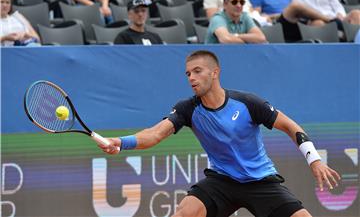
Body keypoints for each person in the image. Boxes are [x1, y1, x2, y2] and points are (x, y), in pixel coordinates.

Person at [95, 49, 341, 217]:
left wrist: (314, 159)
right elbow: (154, 134)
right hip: (221, 181)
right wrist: (120, 142)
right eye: (188, 73)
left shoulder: (247, 103)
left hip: (260, 181)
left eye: (197, 71)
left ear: (215, 72)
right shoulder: (188, 108)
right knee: (185, 213)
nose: (191, 77)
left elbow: (290, 126)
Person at [248, 0, 334, 42]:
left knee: (319, 23)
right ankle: (331, 20)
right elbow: (258, 16)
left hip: (294, 19)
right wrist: (276, 16)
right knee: (295, 6)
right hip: (278, 23)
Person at [289, 0, 360, 26]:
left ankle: (354, 43)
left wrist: (340, 14)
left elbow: (337, 5)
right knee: (319, 23)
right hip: (315, 19)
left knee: (356, 14)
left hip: (335, 18)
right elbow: (301, 11)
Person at [203, 0, 271, 27]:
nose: (239, 5)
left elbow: (250, 10)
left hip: (249, 22)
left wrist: (261, 17)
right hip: (228, 25)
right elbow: (212, 18)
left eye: (241, 2)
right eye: (234, 2)